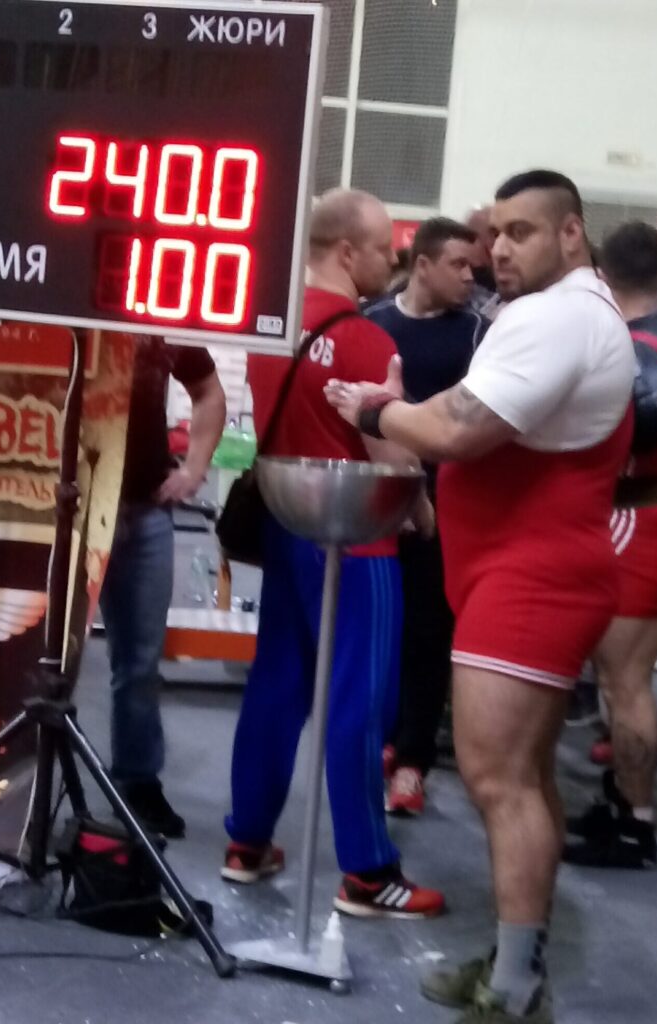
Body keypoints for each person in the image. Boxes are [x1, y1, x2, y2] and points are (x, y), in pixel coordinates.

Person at [326, 170, 635, 1023]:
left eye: (521, 232)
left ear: (571, 233)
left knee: (500, 782)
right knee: (523, 776)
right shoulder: (565, 312)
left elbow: (457, 428)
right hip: (527, 574)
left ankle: (515, 989)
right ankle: (516, 962)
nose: (498, 248)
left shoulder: (560, 316)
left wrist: (375, 410)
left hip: (532, 583)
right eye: (496, 232)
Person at [221, 188, 444, 920]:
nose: (392, 260)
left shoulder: (273, 329)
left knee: (275, 687)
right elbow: (392, 453)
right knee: (359, 702)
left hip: (287, 528)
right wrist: (425, 513)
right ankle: (368, 872)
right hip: (358, 544)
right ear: (348, 252)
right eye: (384, 248)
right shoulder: (365, 340)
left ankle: (247, 842)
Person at [563, 222, 657, 868]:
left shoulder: (626, 351)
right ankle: (622, 799)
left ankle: (635, 824)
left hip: (642, 518)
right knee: (631, 675)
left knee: (623, 682)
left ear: (604, 276)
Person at [365, 217, 488, 816]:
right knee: (376, 630)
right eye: (458, 265)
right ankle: (382, 741)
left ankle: (414, 761)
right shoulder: (372, 323)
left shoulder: (478, 334)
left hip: (446, 508)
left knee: (428, 633)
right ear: (422, 265)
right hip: (375, 500)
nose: (470, 277)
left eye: (473, 266)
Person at [100, 337, 226, 837]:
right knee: (44, 658)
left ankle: (136, 781)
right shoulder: (58, 299)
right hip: (69, 507)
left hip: (144, 509)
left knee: (139, 663)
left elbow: (208, 390)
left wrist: (194, 469)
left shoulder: (163, 315)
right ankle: (23, 778)